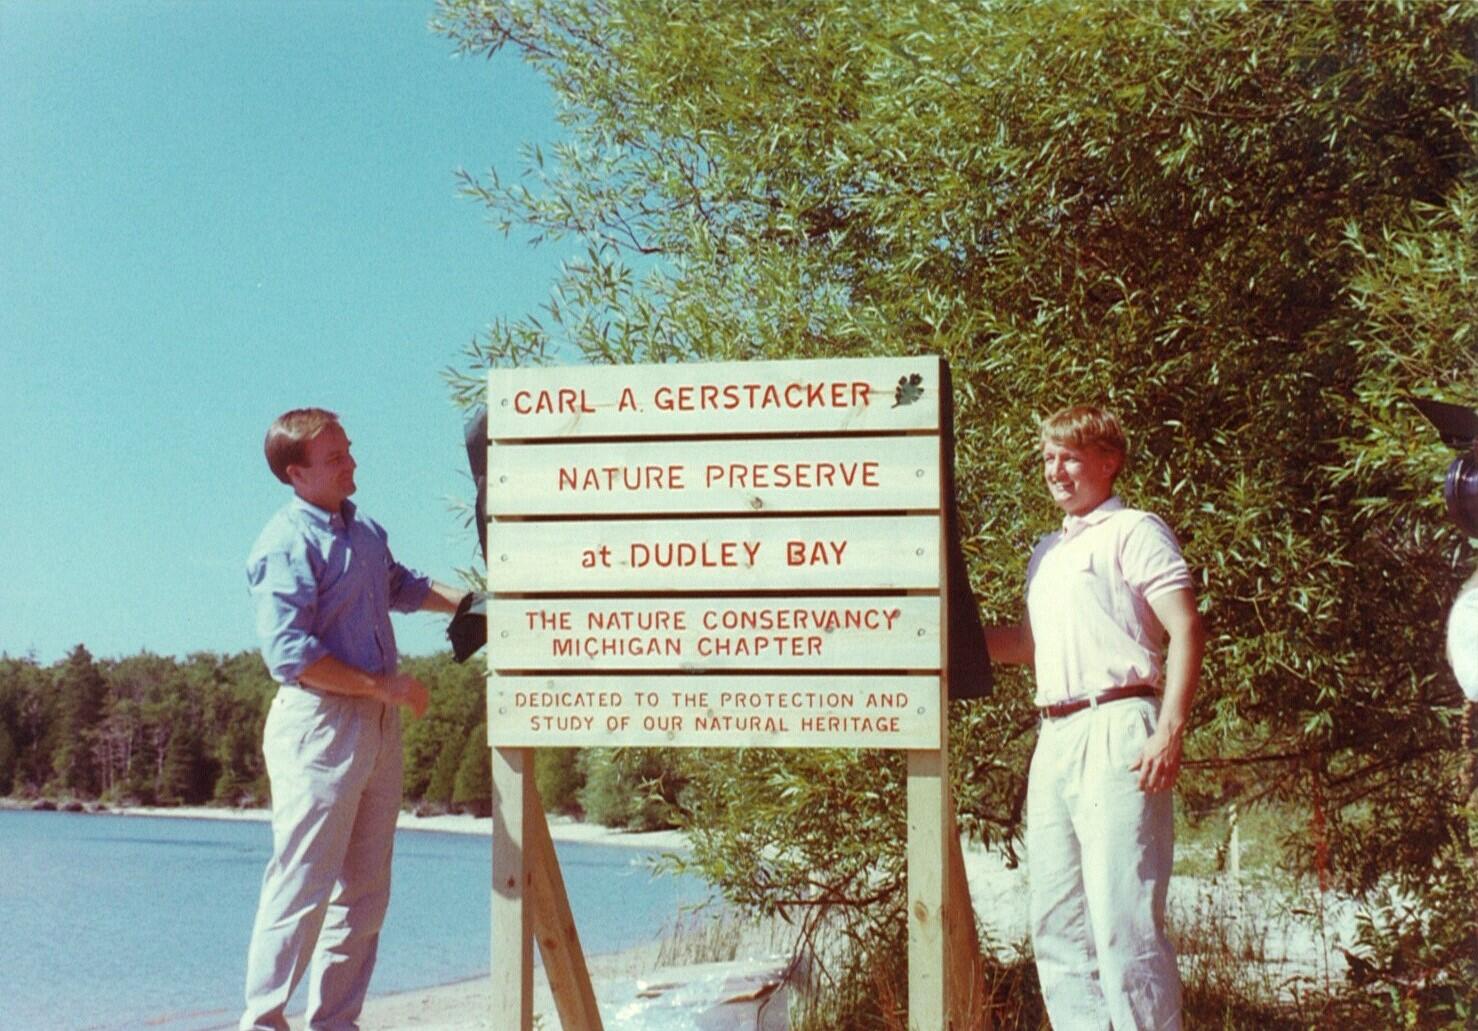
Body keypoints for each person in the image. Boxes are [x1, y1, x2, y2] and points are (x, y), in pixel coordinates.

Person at [240, 408, 466, 1031]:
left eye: (349, 450)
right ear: (297, 474)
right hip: (318, 728)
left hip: (377, 726)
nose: (352, 464)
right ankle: (263, 1022)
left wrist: (476, 603)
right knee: (302, 885)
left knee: (365, 894)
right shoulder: (283, 544)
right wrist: (381, 686)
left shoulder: (362, 531)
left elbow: (401, 586)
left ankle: (336, 1023)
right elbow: (291, 656)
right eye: (335, 458)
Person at [985, 404, 1205, 1030]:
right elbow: (1025, 646)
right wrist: (943, 636)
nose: (1055, 470)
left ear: (1109, 462)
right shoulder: (1046, 551)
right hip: (1054, 735)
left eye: (1070, 458)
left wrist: (1170, 728)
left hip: (1118, 724)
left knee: (1122, 923)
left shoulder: (1134, 530)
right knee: (1057, 926)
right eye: (1048, 458)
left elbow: (1186, 628)